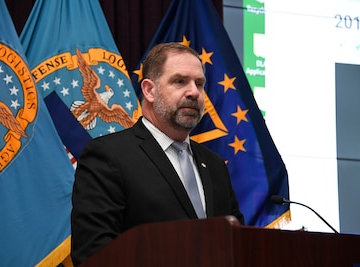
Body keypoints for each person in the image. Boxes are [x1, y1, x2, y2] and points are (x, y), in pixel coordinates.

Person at [71, 42, 245, 266]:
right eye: (180, 81)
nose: (194, 92)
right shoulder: (108, 156)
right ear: (149, 90)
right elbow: (93, 253)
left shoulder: (215, 165)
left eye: (199, 84)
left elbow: (239, 245)